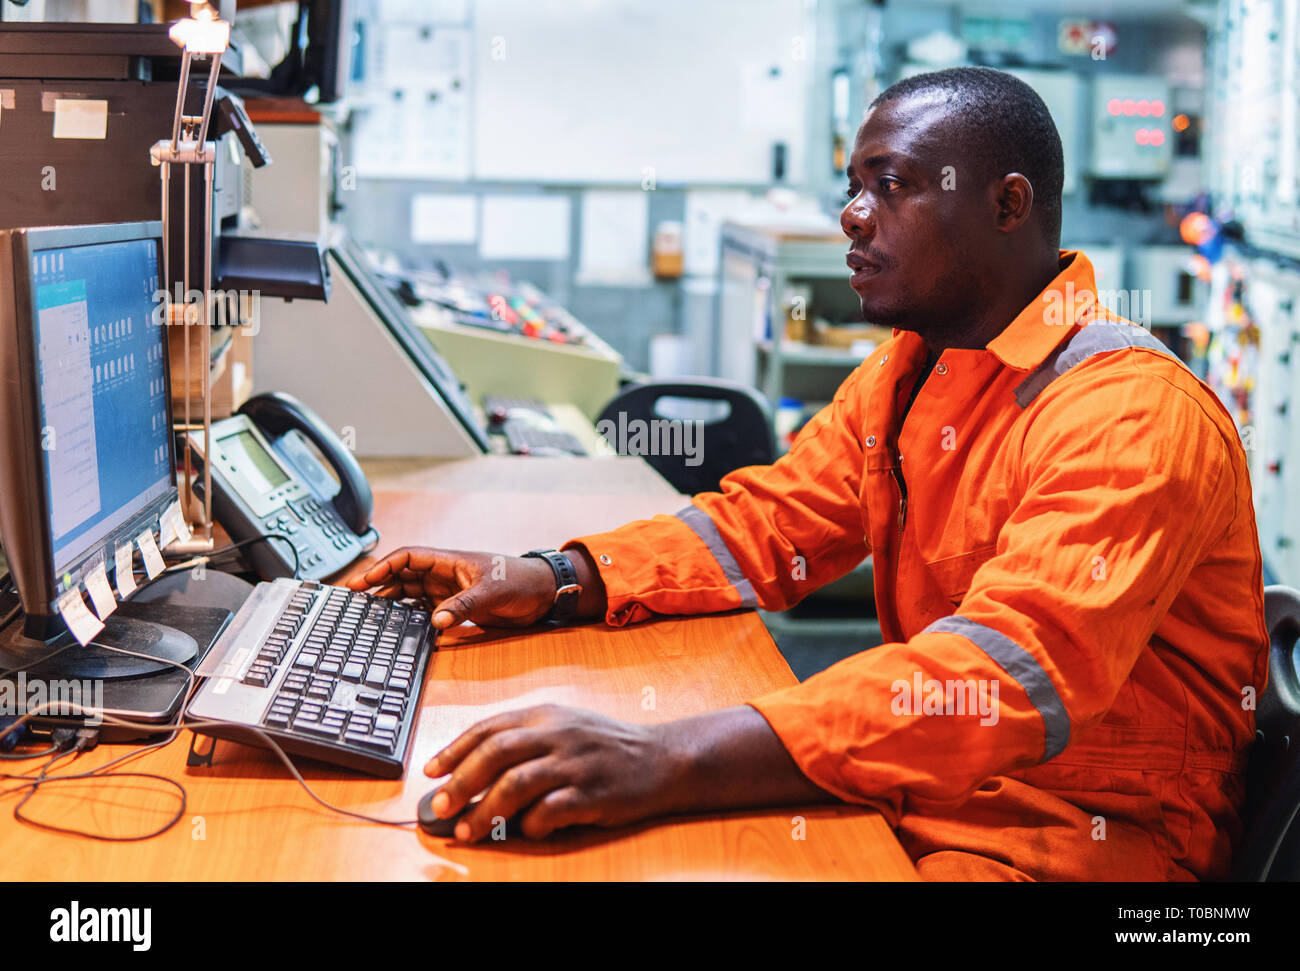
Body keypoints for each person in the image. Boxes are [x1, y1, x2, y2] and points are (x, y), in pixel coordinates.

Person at [347, 67, 1268, 881]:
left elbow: (1000, 676)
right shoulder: (916, 370)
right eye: (854, 186)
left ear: (1007, 204)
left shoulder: (1131, 414)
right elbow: (769, 524)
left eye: (893, 185)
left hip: (1076, 844)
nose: (852, 214)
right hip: (926, 792)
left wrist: (667, 755)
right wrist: (558, 576)